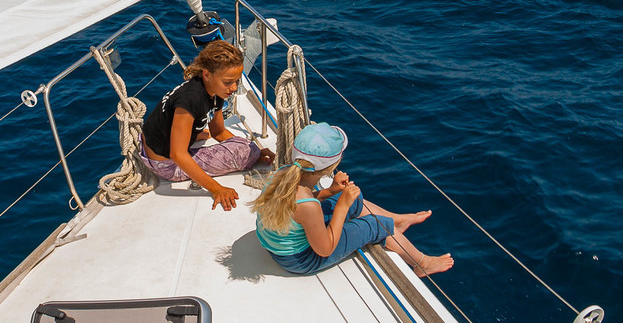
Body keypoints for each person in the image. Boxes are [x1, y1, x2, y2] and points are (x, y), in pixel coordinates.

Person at [251, 122, 453, 277]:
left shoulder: (284, 173)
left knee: (352, 199)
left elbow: (297, 207)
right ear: (330, 166)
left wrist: (331, 192)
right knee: (376, 224)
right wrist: (342, 206)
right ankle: (422, 264)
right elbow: (325, 249)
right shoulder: (309, 206)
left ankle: (397, 222)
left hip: (278, 247)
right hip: (300, 260)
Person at [141, 41, 274, 210]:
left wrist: (252, 149)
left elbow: (218, 132)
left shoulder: (215, 91)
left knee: (247, 147)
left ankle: (194, 134)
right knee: (246, 152)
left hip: (158, 142)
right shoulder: (191, 99)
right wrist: (216, 189)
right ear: (207, 74)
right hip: (165, 163)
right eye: (228, 82)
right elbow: (177, 154)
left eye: (236, 81)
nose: (233, 87)